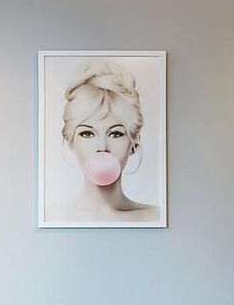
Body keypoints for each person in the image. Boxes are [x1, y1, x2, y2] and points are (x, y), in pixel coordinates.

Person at [51, 60, 159, 223]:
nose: (102, 147)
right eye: (87, 133)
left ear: (134, 144)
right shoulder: (54, 217)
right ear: (70, 141)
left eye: (115, 134)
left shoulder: (155, 216)